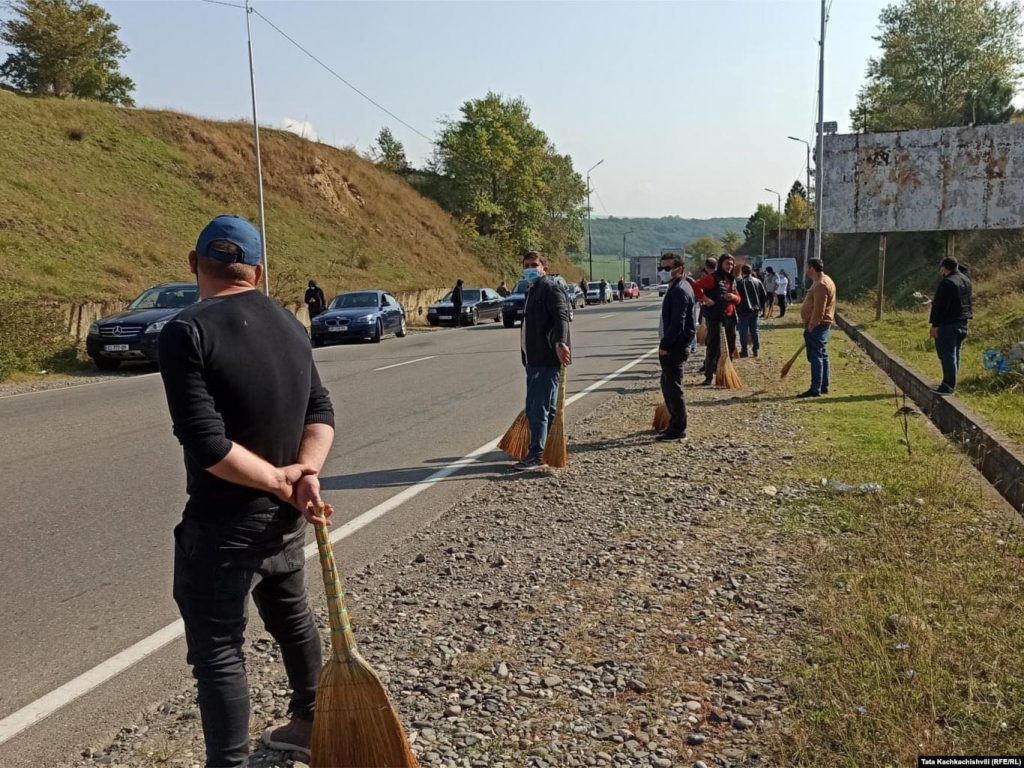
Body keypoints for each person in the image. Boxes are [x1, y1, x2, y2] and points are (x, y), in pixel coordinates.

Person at [157, 216, 336, 767]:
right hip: (283, 521)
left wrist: (284, 479)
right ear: (258, 270)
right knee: (293, 619)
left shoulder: (186, 331)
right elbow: (320, 411)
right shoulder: (290, 324)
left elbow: (206, 443)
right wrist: (303, 473)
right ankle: (309, 722)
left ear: (194, 264)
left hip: (223, 526)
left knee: (217, 654)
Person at [514, 250, 571, 472]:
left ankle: (537, 455)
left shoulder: (549, 287)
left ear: (544, 268)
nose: (529, 268)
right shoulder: (532, 290)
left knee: (538, 408)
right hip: (534, 358)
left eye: (534, 265)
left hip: (545, 358)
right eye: (526, 264)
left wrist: (560, 343)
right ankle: (544, 450)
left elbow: (561, 317)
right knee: (543, 407)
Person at [657, 253, 696, 441]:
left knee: (673, 386)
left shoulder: (680, 290)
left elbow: (677, 323)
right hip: (674, 345)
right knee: (667, 384)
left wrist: (664, 345)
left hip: (675, 346)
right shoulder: (677, 287)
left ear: (679, 268)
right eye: (661, 268)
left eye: (667, 268)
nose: (663, 272)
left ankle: (679, 427)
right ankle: (673, 422)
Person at [693, 254, 740, 386]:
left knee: (730, 346)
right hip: (715, 318)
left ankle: (726, 373)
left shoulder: (732, 279)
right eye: (727, 264)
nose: (729, 267)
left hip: (730, 317)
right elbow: (696, 286)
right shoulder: (712, 278)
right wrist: (705, 300)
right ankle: (708, 376)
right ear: (720, 264)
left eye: (731, 264)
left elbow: (739, 298)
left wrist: (733, 297)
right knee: (713, 347)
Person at [929, 256, 973, 395]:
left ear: (944, 268)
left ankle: (947, 386)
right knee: (955, 355)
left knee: (947, 355)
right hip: (963, 322)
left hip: (948, 325)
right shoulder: (966, 280)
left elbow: (941, 307)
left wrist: (935, 326)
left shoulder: (947, 283)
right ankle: (951, 384)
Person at [797, 257, 836, 398]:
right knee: (822, 355)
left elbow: (820, 308)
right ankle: (823, 385)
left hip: (818, 326)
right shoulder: (823, 281)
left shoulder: (821, 284)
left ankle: (815, 388)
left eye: (807, 268)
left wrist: (812, 324)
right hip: (821, 325)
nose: (806, 271)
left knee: (816, 357)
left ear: (812, 268)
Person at [735, 264, 768, 357]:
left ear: (742, 271)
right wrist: (761, 307)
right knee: (755, 330)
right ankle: (756, 349)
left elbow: (736, 297)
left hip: (743, 310)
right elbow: (764, 296)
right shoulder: (758, 281)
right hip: (755, 309)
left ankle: (744, 350)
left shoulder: (740, 282)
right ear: (751, 271)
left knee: (743, 331)